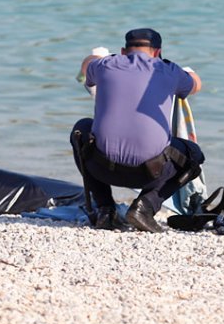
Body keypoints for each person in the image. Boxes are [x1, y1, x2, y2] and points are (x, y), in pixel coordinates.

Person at [69, 28, 204, 233]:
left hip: (103, 168)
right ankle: (145, 207)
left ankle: (106, 209)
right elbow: (196, 84)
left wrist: (97, 55)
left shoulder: (106, 65)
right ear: (158, 52)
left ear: (123, 51)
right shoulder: (170, 70)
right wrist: (188, 71)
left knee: (81, 129)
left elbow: (86, 67)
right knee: (193, 154)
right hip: (150, 173)